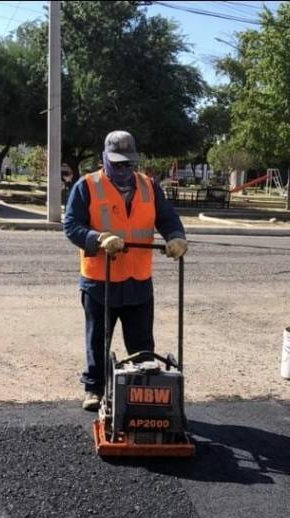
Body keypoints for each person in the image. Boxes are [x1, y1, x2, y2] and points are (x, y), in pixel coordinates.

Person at [63, 130, 188, 411]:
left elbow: (167, 217)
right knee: (97, 339)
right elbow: (71, 226)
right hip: (100, 280)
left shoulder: (149, 186)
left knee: (142, 343)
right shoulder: (87, 186)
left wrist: (176, 236)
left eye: (128, 164)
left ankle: (141, 390)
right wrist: (98, 238)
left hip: (138, 280)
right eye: (117, 163)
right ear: (104, 158)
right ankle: (94, 388)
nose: (123, 169)